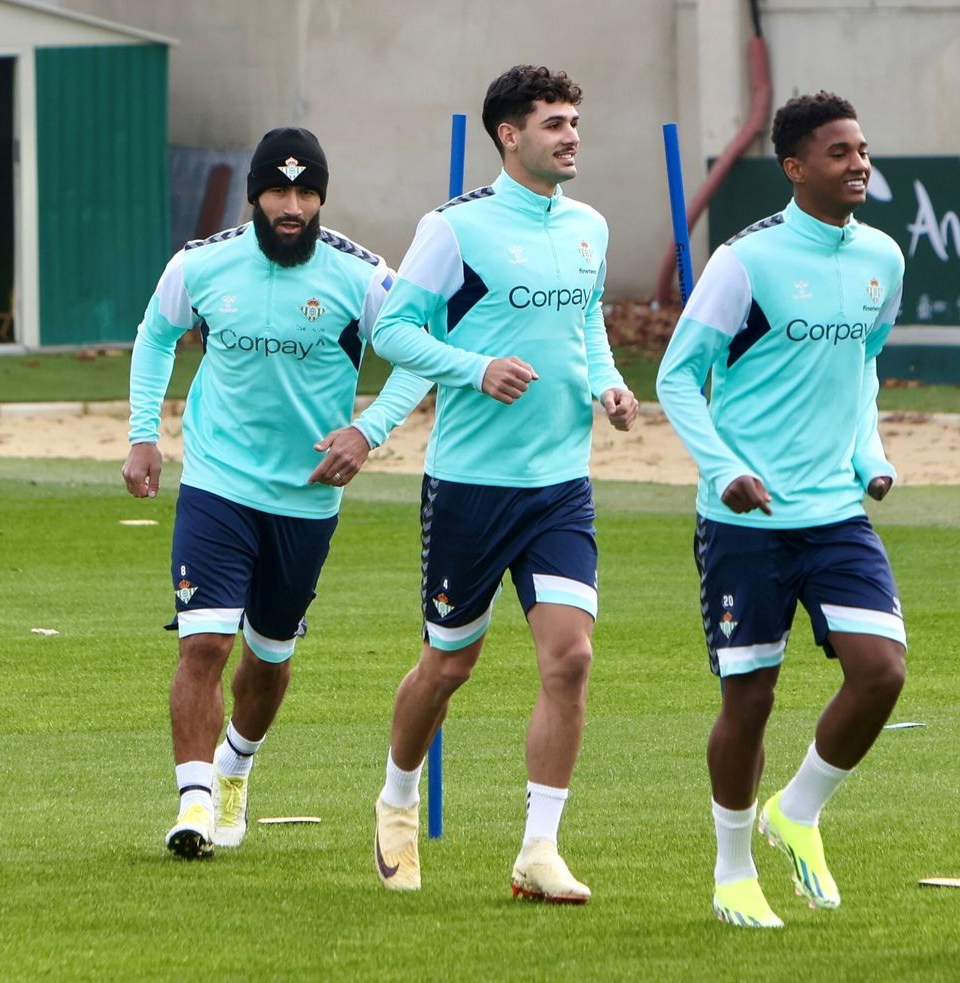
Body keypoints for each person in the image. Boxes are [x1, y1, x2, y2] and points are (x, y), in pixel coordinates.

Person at [366, 65, 638, 902]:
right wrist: (476, 367)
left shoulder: (589, 226)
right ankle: (397, 801)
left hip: (561, 484)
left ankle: (539, 849)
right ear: (508, 135)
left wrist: (608, 383)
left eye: (575, 122)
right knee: (448, 666)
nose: (572, 136)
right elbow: (393, 331)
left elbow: (586, 320)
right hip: (471, 486)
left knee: (571, 658)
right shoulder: (455, 228)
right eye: (554, 123)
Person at [123, 126, 431, 859]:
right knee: (204, 643)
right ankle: (195, 804)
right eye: (277, 191)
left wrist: (368, 431)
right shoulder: (200, 263)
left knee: (266, 662)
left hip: (305, 497)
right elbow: (155, 335)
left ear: (321, 197)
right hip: (216, 484)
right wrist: (143, 434)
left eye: (306, 192)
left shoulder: (361, 276)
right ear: (253, 194)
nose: (292, 207)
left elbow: (420, 355)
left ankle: (235, 765)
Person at [655, 91, 907, 929]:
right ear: (795, 167)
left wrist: (869, 454)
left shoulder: (882, 258)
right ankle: (732, 871)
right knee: (751, 699)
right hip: (744, 524)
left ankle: (796, 809)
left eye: (862, 149)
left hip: (836, 513)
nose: (859, 163)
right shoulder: (745, 261)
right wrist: (724, 468)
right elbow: (675, 377)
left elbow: (864, 366)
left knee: (882, 671)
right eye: (839, 152)